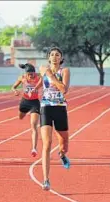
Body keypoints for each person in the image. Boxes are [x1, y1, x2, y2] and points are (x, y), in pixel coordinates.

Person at [33, 46, 71, 191]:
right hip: (46, 107)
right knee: (47, 144)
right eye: (52, 55)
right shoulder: (43, 68)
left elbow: (64, 89)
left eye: (57, 55)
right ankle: (46, 180)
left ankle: (62, 155)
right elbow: (41, 82)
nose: (55, 57)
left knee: (64, 144)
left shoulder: (65, 71)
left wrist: (51, 76)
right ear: (49, 57)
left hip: (60, 108)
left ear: (61, 58)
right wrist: (36, 87)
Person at [11, 63, 41, 157]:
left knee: (34, 126)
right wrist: (15, 91)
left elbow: (46, 79)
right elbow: (13, 87)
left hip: (35, 103)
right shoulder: (22, 77)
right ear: (26, 73)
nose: (30, 76)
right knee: (20, 117)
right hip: (24, 102)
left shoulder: (39, 77)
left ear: (34, 73)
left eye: (32, 74)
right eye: (29, 74)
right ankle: (28, 113)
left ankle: (34, 148)